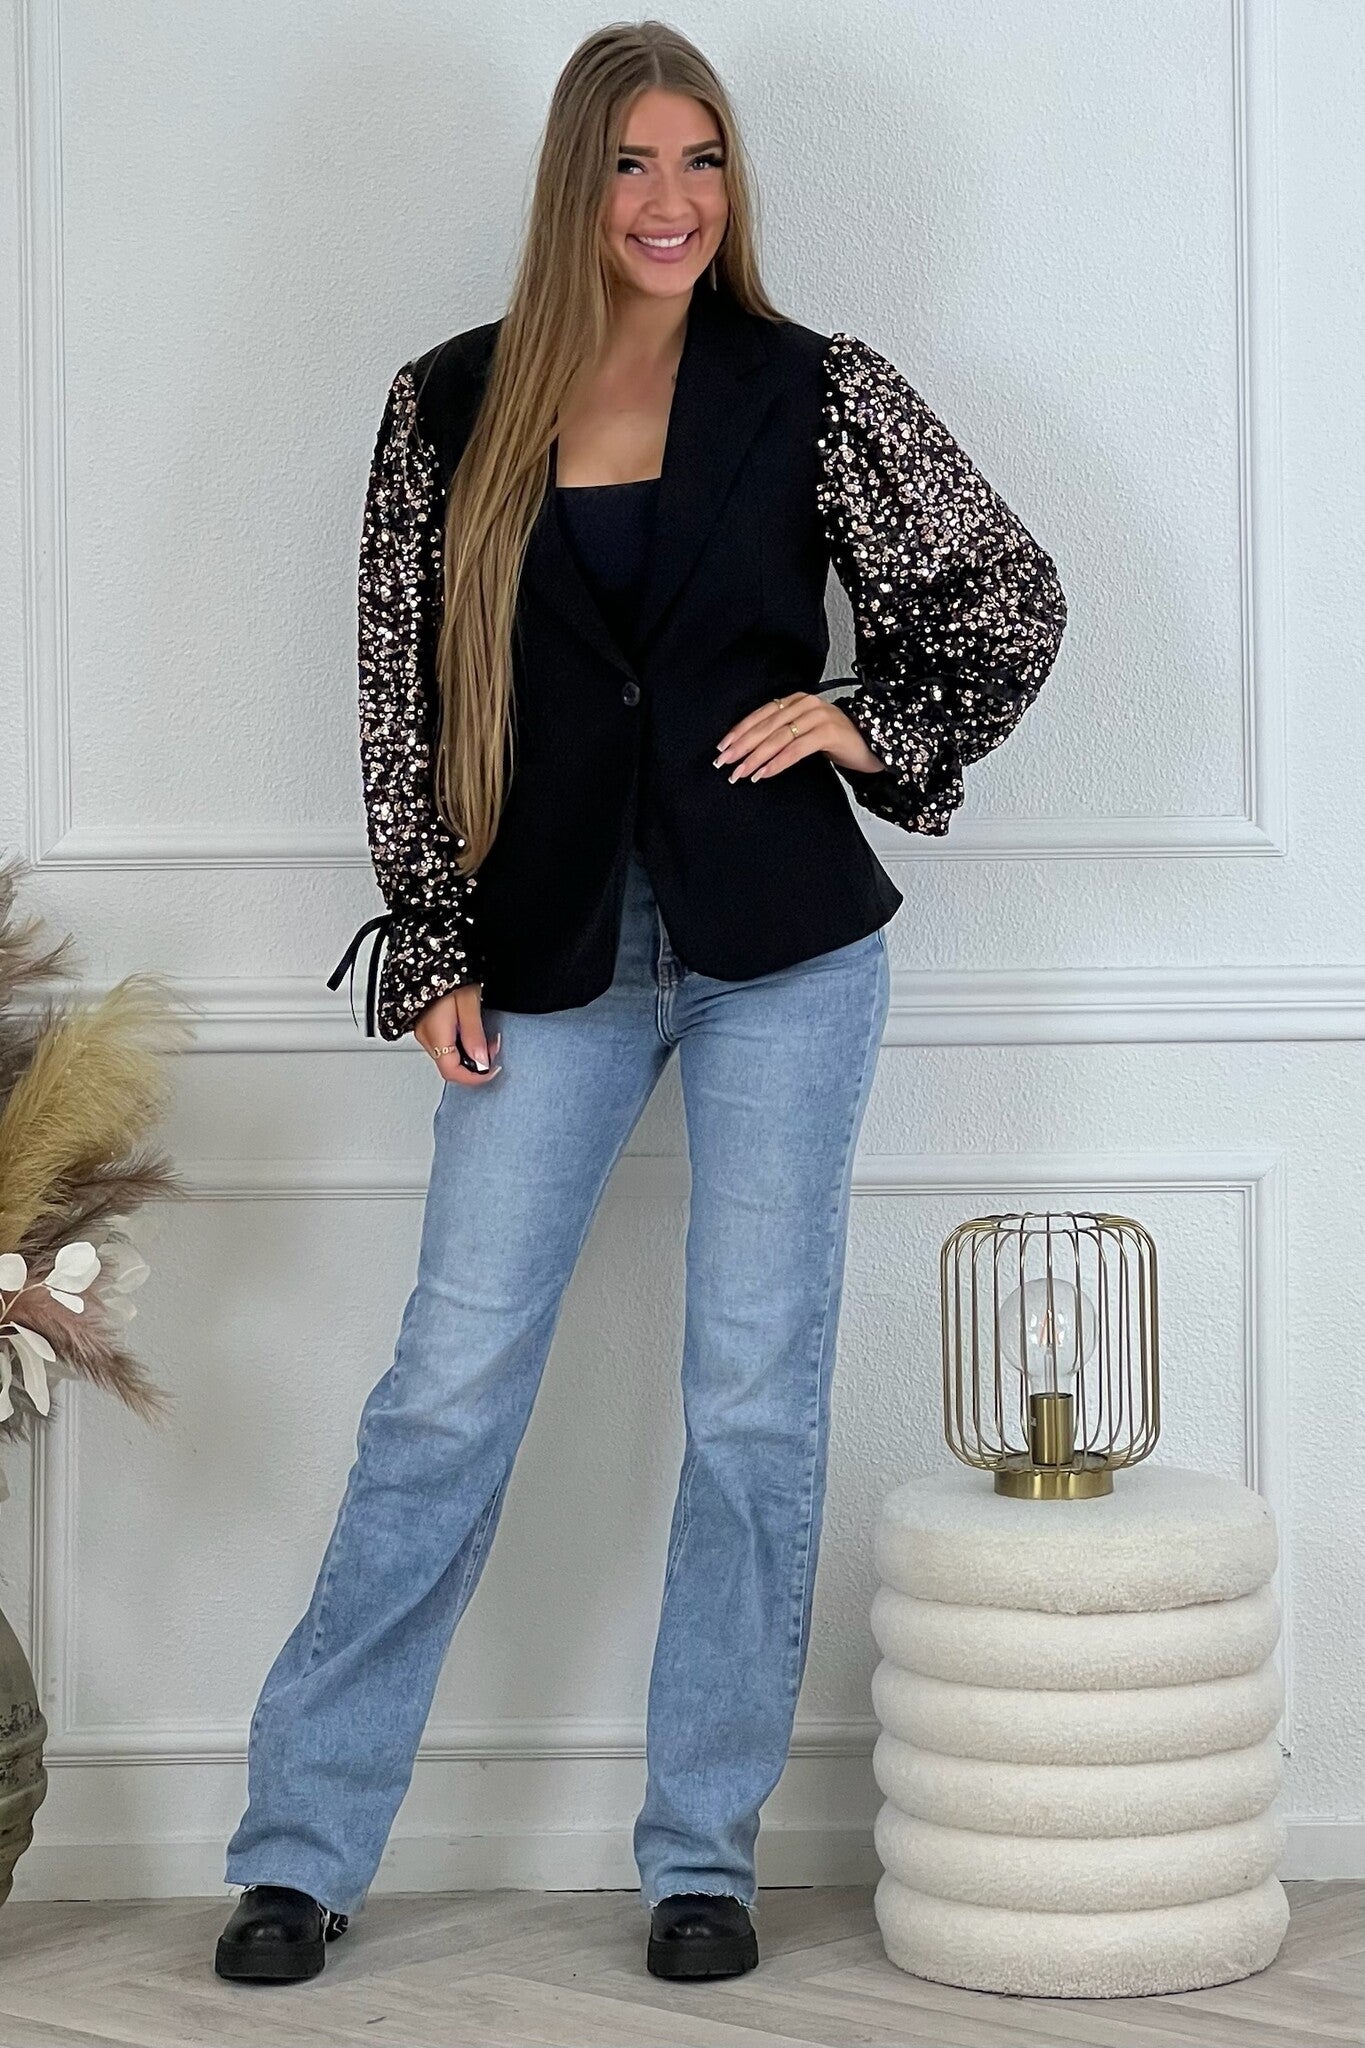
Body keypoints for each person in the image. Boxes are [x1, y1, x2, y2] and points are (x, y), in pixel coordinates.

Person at [215, 18, 1068, 1988]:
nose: (669, 199)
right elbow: (403, 691)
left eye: (700, 160)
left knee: (752, 1403)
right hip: (545, 957)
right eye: (629, 162)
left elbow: (1005, 598)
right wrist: (429, 938)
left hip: (784, 948)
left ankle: (702, 1855)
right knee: (445, 1391)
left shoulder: (814, 387)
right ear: (573, 185)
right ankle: (300, 1852)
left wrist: (864, 720)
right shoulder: (449, 401)